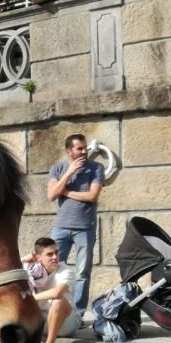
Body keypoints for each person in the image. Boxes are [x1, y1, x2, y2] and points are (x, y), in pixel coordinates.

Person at [46, 133, 105, 322]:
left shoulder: (96, 168)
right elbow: (51, 195)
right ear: (69, 151)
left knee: (82, 273)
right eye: (79, 148)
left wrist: (66, 192)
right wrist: (69, 173)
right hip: (61, 228)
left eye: (85, 147)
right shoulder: (58, 168)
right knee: (51, 269)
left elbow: (91, 196)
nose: (84, 151)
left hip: (85, 228)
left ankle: (78, 314)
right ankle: (50, 310)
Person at [23, 237, 80, 343]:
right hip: (43, 322)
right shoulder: (30, 269)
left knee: (57, 300)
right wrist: (22, 260)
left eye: (56, 252)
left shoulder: (66, 270)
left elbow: (57, 292)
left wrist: (30, 299)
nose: (55, 257)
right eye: (49, 254)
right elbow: (7, 272)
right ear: (38, 258)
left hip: (66, 323)